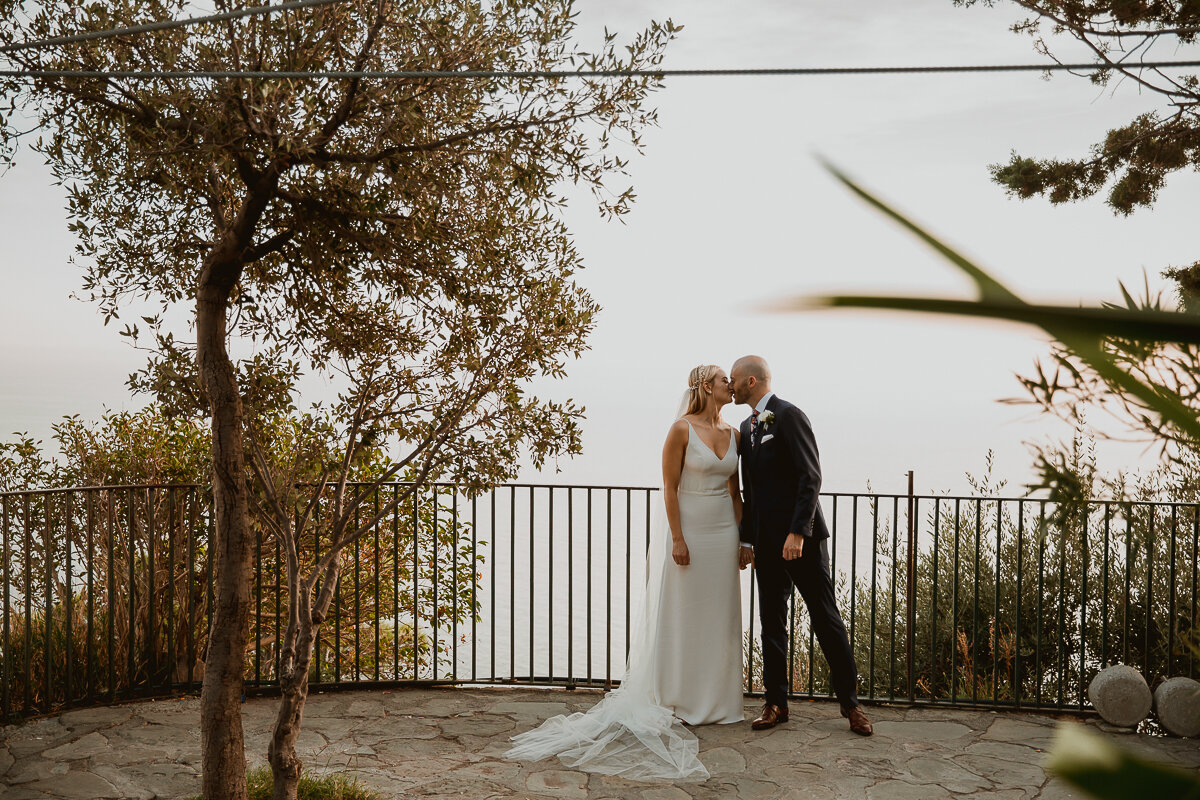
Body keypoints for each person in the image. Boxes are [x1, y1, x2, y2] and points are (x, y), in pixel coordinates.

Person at [504, 364, 749, 780]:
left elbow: (735, 491)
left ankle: (720, 703)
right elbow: (669, 488)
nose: (732, 385)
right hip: (689, 527)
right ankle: (677, 698)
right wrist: (676, 538)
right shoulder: (681, 430)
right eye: (726, 379)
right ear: (708, 386)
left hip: (724, 533)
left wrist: (745, 541)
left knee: (718, 616)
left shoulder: (735, 433)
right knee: (682, 615)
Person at [729, 355, 873, 737]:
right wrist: (747, 539)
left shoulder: (789, 415)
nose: (730, 385)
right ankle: (776, 703)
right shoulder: (746, 426)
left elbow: (811, 477)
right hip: (765, 545)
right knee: (771, 625)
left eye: (735, 380)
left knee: (826, 620)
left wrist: (798, 533)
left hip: (801, 542)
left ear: (752, 381)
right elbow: (751, 491)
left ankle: (852, 706)